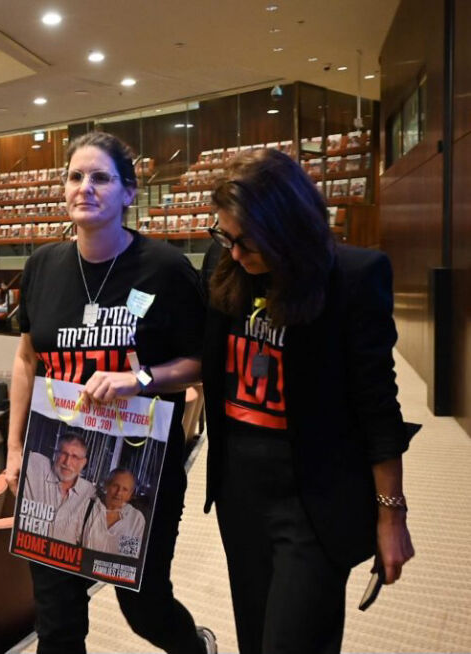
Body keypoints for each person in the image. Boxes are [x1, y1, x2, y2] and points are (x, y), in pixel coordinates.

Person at [4, 131, 215, 654]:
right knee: (57, 622)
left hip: (140, 468)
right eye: (76, 176)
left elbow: (205, 362)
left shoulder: (165, 269)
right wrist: (13, 450)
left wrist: (140, 379)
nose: (85, 188)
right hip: (59, 463)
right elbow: (27, 359)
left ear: (129, 192)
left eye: (101, 177)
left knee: (143, 608)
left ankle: (196, 647)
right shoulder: (42, 267)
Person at [202, 148, 415, 654]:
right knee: (254, 640)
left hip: (312, 499)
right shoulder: (225, 264)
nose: (234, 254)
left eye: (247, 242)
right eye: (225, 238)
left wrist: (392, 515)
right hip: (240, 495)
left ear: (287, 229)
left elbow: (378, 407)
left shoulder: (354, 276)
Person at [21, 432, 96, 544]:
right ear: (55, 454)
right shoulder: (37, 464)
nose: (67, 462)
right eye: (63, 453)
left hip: (64, 557)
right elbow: (15, 455)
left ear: (83, 463)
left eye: (74, 457)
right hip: (27, 549)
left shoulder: (89, 491)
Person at [79, 468, 146, 557]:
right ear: (107, 485)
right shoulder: (89, 507)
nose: (118, 493)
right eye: (115, 486)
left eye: (125, 489)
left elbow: (128, 557)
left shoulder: (135, 519)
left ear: (130, 494)